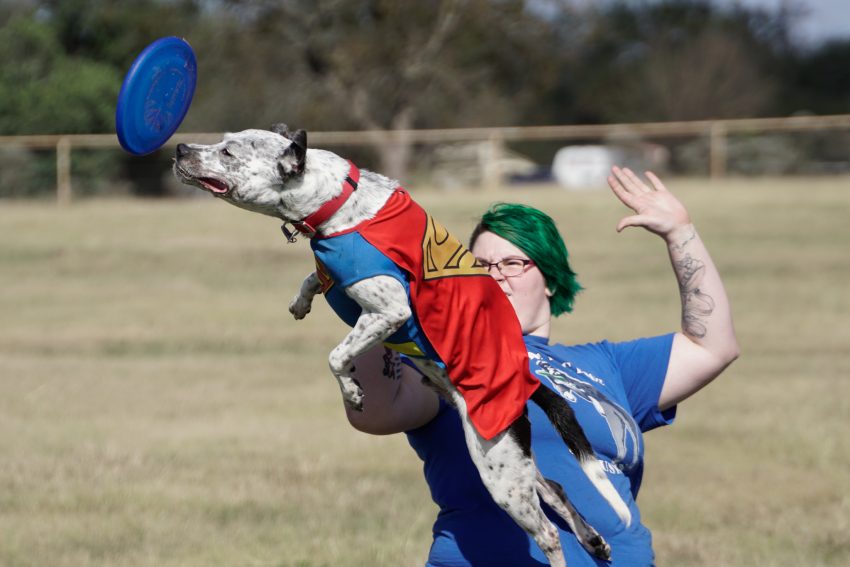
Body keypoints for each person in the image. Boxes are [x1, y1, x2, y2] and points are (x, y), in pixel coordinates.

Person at [343, 166, 739, 566]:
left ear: (549, 278)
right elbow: (377, 411)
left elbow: (712, 347)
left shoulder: (607, 365)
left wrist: (680, 233)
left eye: (513, 263)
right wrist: (374, 292)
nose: (494, 277)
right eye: (479, 267)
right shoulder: (447, 360)